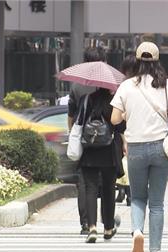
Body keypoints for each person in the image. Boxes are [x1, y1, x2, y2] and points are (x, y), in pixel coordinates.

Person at [110, 41, 168, 252]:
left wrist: (128, 115)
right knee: (157, 203)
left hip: (136, 149)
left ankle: (137, 232)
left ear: (138, 60)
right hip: (161, 148)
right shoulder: (166, 85)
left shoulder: (126, 86)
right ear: (157, 60)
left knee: (138, 197)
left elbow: (114, 119)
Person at [68, 47, 107, 235]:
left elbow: (71, 115)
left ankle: (86, 223)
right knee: (107, 181)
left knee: (85, 183)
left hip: (85, 140)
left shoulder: (77, 85)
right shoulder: (111, 84)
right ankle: (107, 223)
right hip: (106, 140)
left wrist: (72, 136)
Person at [79, 87, 125, 243]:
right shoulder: (114, 102)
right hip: (109, 151)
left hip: (89, 150)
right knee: (108, 190)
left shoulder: (86, 100)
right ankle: (108, 228)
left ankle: (91, 227)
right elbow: (120, 127)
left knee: (90, 189)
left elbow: (79, 122)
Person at [115, 55, 137, 206]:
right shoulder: (147, 86)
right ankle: (128, 193)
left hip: (127, 133)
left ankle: (125, 192)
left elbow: (116, 118)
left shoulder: (124, 87)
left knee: (125, 164)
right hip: (137, 134)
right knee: (128, 165)